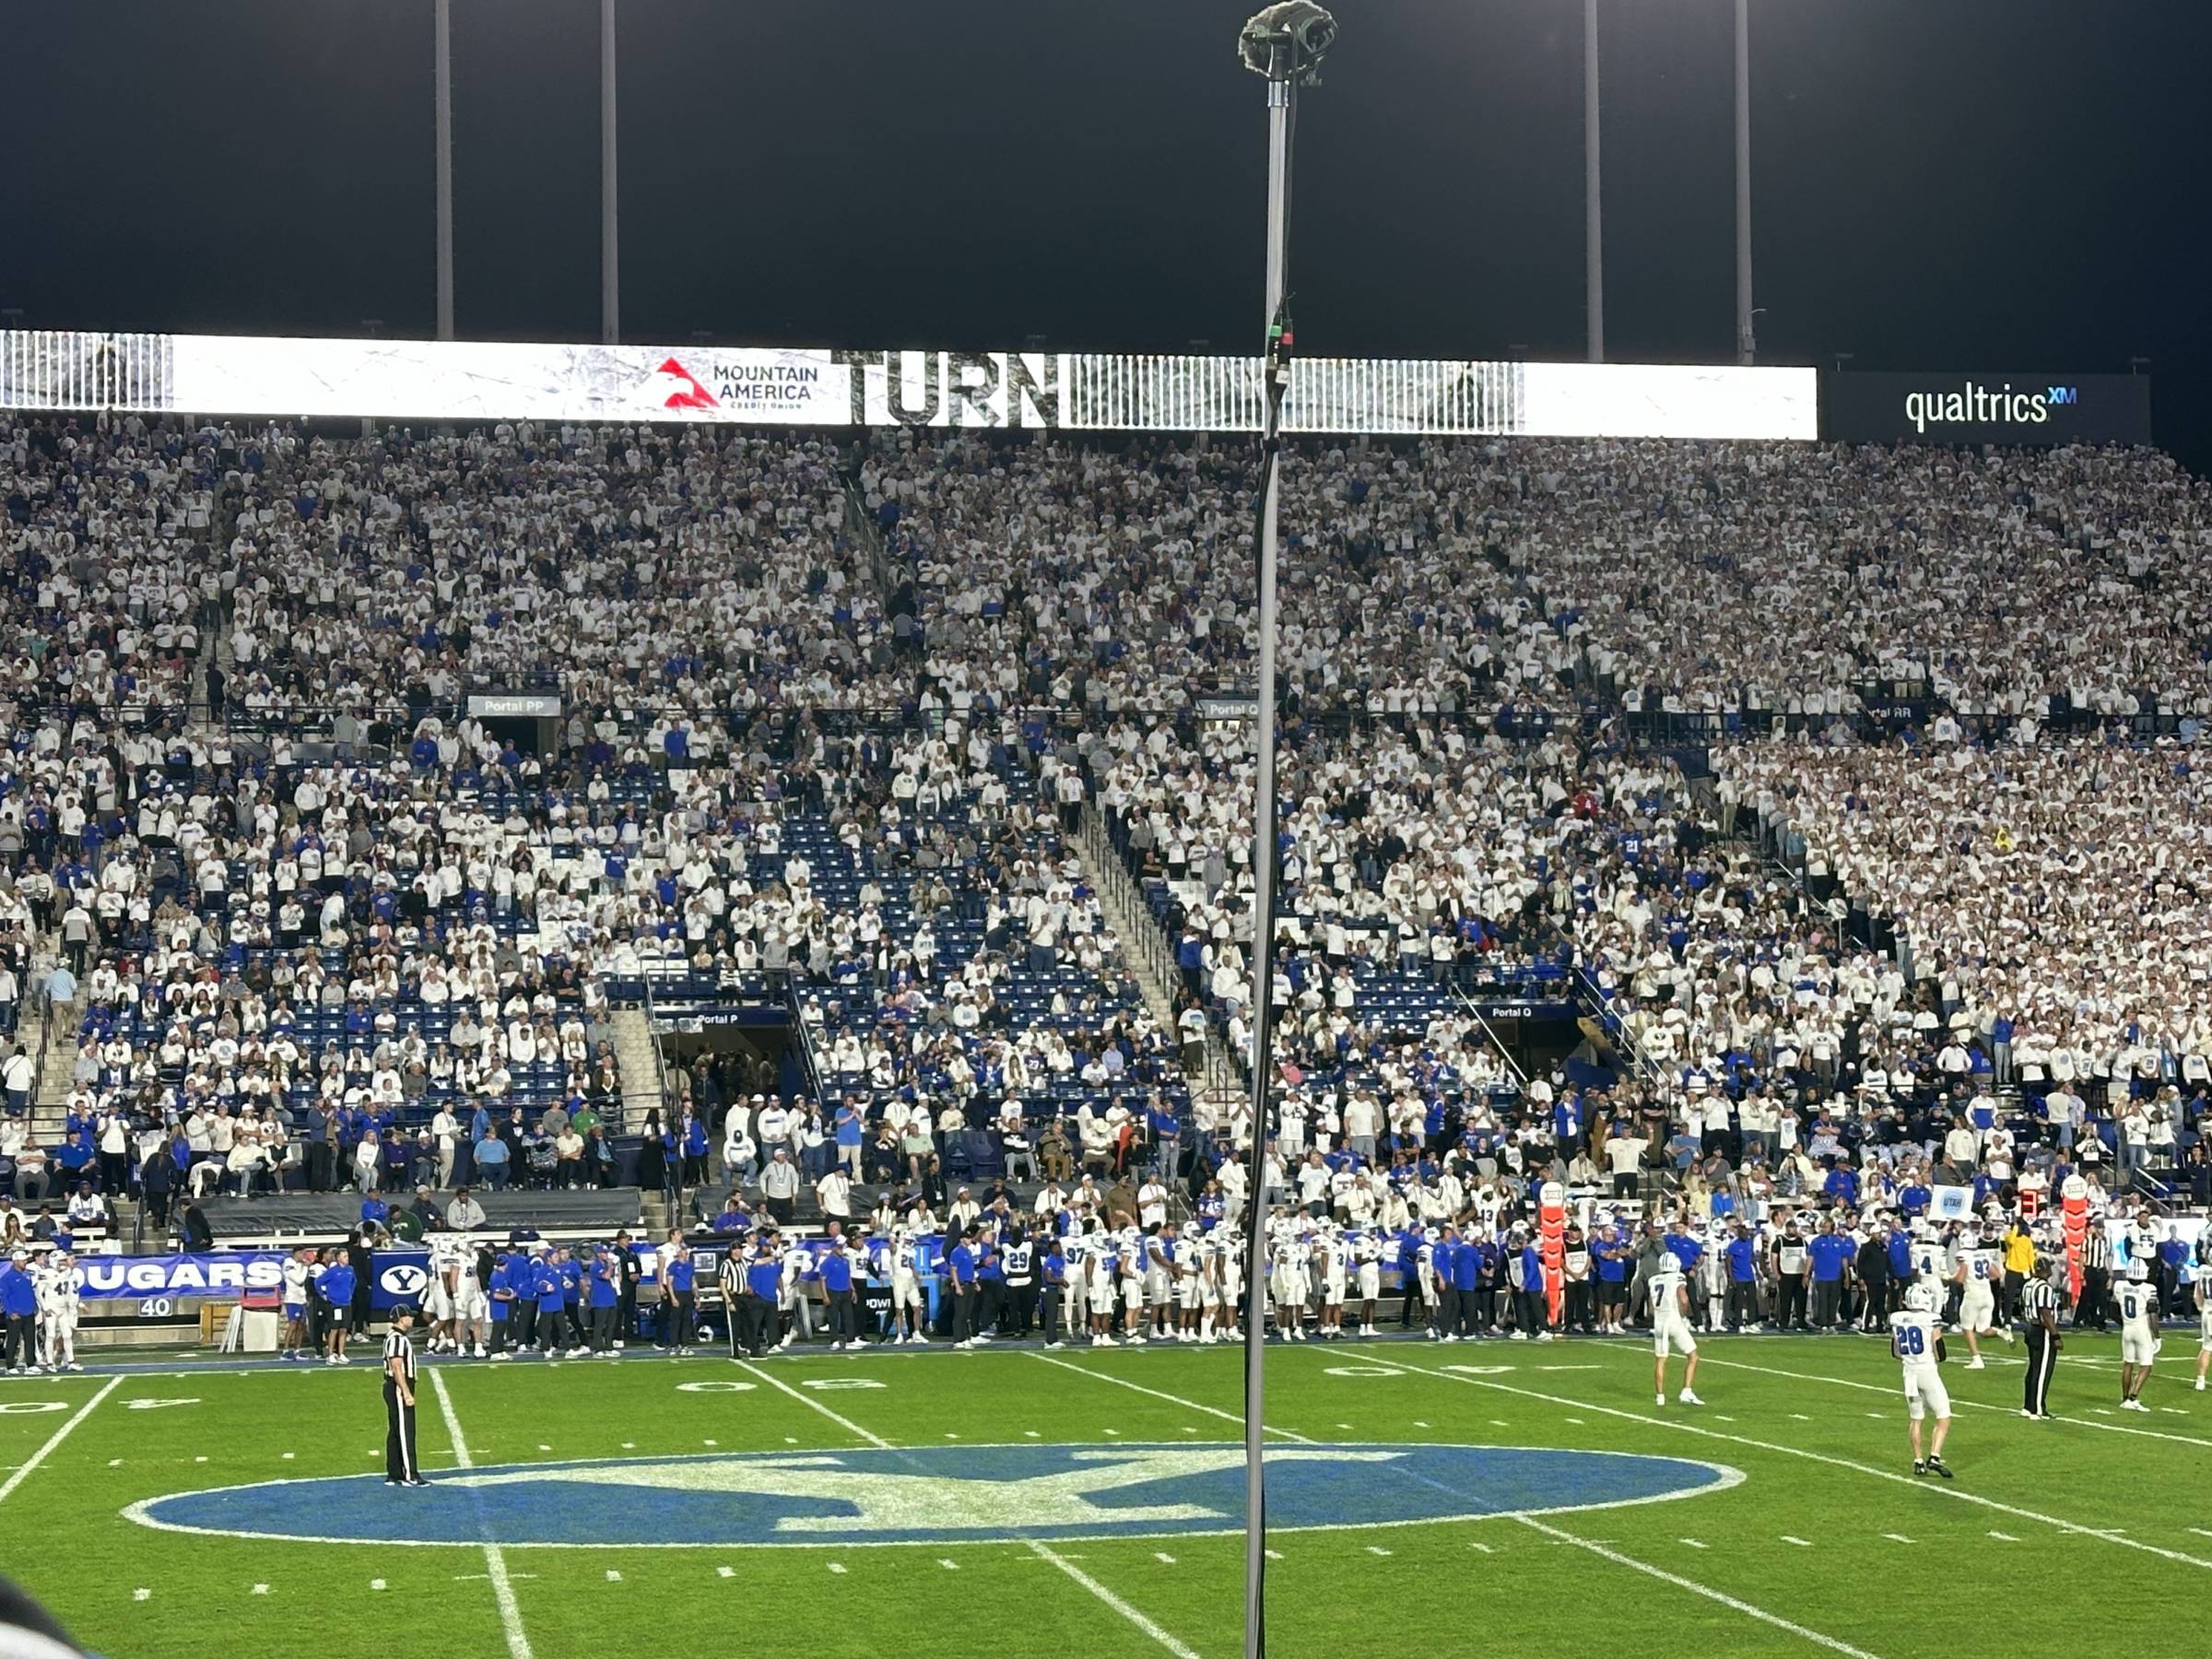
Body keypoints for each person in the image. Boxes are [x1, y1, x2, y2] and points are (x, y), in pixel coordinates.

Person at [1890, 1282, 1953, 1478]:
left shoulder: (1898, 1319)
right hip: (1927, 1371)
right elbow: (1941, 1354)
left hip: (1909, 1373)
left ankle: (1918, 1460)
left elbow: (1896, 1352)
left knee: (1916, 1419)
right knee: (1943, 1415)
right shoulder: (1930, 1319)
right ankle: (1934, 1457)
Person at [1949, 1222, 2012, 1369]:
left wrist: (1949, 1277)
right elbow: (1996, 1274)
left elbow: (1960, 1278)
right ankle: (2000, 1331)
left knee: (1967, 1328)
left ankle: (1976, 1359)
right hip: (1987, 1294)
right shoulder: (1982, 1253)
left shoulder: (1963, 1255)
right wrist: (1982, 1278)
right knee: (1983, 1330)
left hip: (1973, 1295)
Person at [1648, 1250, 1702, 1406]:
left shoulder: (1653, 1280)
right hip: (1673, 1320)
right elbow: (1684, 1299)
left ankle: (1660, 1396)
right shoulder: (1678, 1277)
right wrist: (1684, 1316)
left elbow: (1650, 1307)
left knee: (1661, 1360)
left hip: (1659, 1322)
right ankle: (1686, 1390)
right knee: (1693, 1356)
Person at [382, 1304, 426, 1487]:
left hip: (396, 1386)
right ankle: (411, 1474)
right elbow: (397, 1367)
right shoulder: (397, 1339)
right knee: (405, 1431)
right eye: (409, 1316)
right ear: (401, 1318)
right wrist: (406, 1392)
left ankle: (394, 1473)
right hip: (399, 1386)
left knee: (395, 1431)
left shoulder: (395, 1337)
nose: (412, 1319)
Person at [2020, 1253, 2062, 1419]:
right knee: (2042, 1370)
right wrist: (2055, 1335)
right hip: (2041, 1331)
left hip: (2030, 1327)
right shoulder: (2044, 1287)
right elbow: (2046, 1313)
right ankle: (2037, 1408)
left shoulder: (2028, 1285)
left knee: (2033, 1369)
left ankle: (2027, 1406)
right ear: (2045, 1270)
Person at [2115, 1257, 2159, 1412]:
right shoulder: (2148, 1288)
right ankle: (2133, 1397)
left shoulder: (2119, 1285)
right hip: (2142, 1329)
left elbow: (2112, 1310)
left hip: (2127, 1329)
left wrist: (2125, 1323)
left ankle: (2125, 1398)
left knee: (2128, 1364)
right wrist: (2157, 1336)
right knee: (2146, 1366)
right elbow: (2153, 1314)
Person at [321, 1251, 357, 1364]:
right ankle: (331, 1354)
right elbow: (318, 1282)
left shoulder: (350, 1270)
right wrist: (324, 1295)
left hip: (347, 1304)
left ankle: (341, 1353)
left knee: (344, 1329)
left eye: (347, 1255)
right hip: (335, 1304)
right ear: (338, 1258)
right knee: (334, 1329)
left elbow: (354, 1281)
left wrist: (350, 1292)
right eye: (344, 1256)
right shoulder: (332, 1272)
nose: (347, 1258)